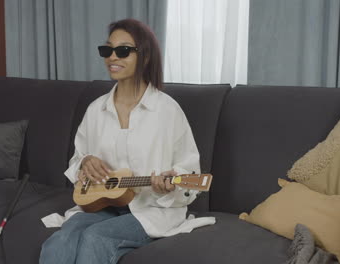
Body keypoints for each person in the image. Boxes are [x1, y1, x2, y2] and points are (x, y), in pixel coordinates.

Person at [39, 18, 213, 264]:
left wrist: (171, 185)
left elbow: (189, 171)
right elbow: (78, 159)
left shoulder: (168, 111)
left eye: (123, 50)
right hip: (102, 205)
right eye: (107, 50)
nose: (112, 57)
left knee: (96, 237)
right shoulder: (95, 109)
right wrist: (85, 162)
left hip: (151, 210)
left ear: (145, 56)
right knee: (61, 240)